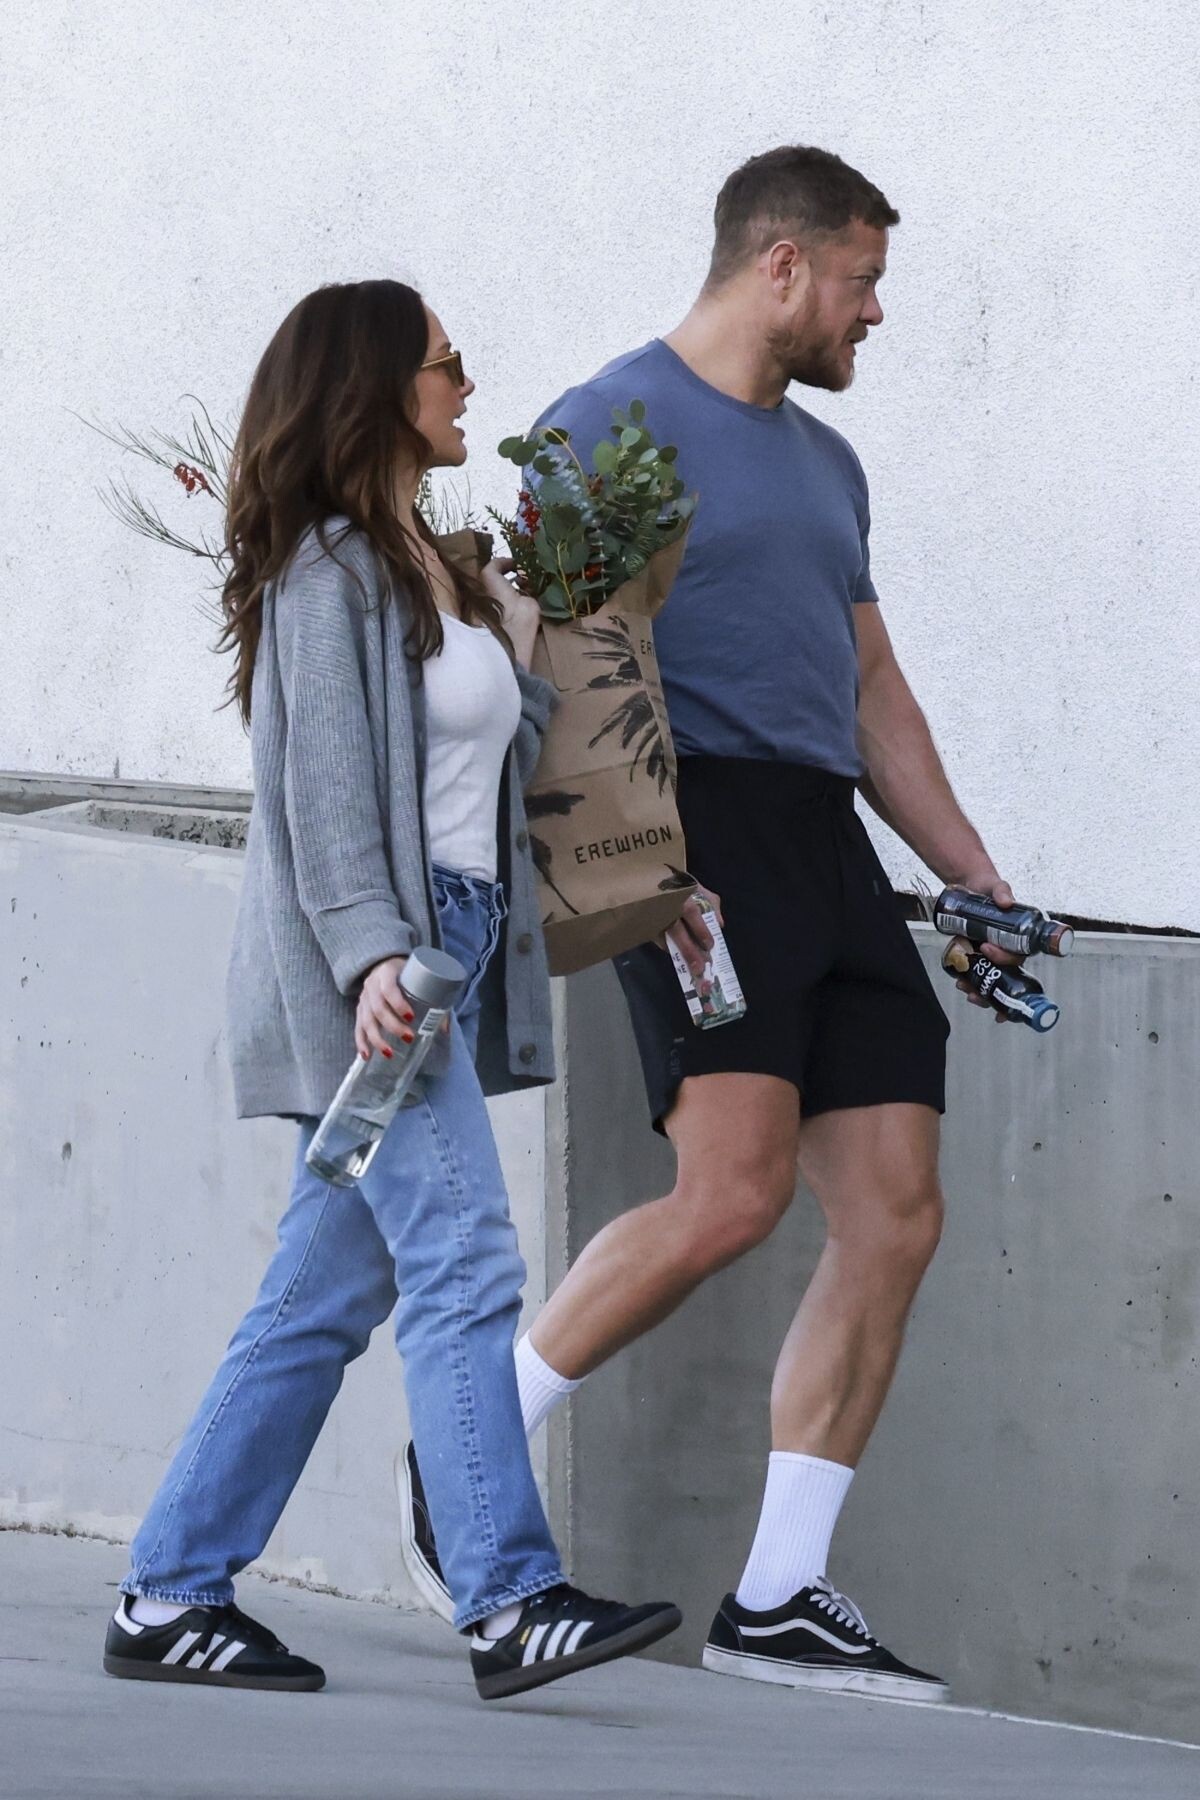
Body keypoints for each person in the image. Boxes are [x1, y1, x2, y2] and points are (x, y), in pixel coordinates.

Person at [400, 149, 1020, 1702]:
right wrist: (644, 869)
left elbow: (871, 688)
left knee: (896, 1210)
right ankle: (464, 1450)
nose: (876, 315)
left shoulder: (828, 469)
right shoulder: (611, 423)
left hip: (825, 838)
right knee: (731, 1193)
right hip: (695, 823)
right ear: (782, 265)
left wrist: (972, 871)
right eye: (863, 283)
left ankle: (780, 1593)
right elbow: (563, 667)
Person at [102, 279, 680, 1702]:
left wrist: (542, 637)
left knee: (322, 1294)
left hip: (451, 941)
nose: (466, 383)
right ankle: (508, 1599)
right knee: (465, 1258)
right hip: (390, 966)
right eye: (444, 361)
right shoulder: (328, 572)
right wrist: (372, 956)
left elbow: (483, 770)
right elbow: (322, 791)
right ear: (375, 387)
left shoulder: (426, 561)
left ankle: (169, 1590)